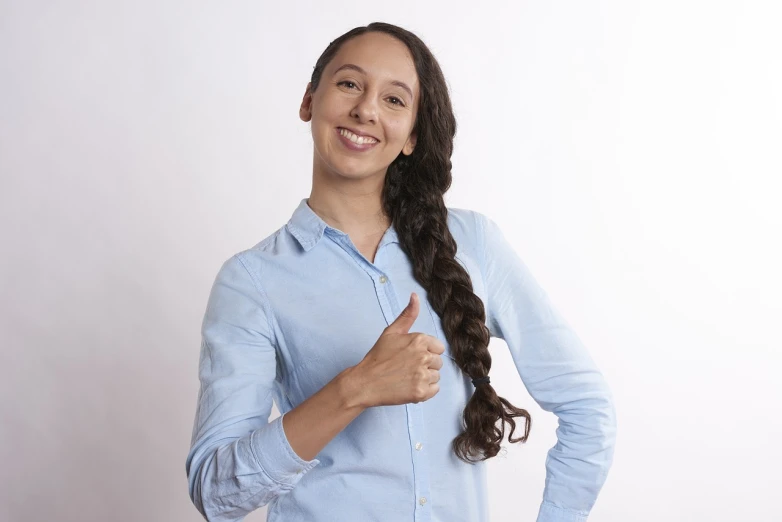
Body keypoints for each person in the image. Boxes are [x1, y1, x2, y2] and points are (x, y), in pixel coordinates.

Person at [185, 21, 616, 522]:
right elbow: (215, 493)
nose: (366, 109)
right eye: (349, 83)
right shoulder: (252, 281)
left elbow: (588, 406)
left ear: (412, 135)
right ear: (309, 101)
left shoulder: (472, 243)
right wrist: (355, 389)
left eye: (394, 100)